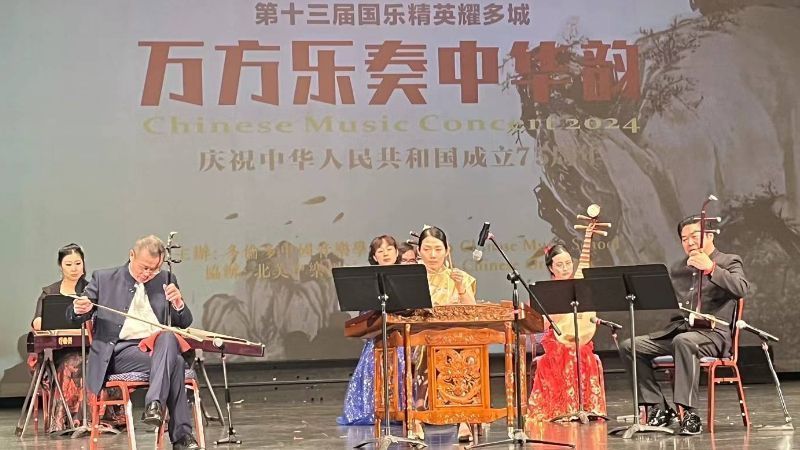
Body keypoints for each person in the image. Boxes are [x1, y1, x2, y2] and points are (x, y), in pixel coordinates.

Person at [618, 216, 750, 435]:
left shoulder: (728, 261)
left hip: (713, 336)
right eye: (684, 238)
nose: (689, 242)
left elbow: (741, 288)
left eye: (694, 236)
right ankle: (658, 407)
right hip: (681, 332)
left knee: (683, 341)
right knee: (630, 346)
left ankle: (689, 414)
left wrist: (711, 268)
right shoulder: (679, 267)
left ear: (709, 235)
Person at [68, 235, 201, 449]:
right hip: (120, 353)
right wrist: (78, 308)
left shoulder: (166, 279)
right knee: (174, 362)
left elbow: (184, 322)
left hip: (158, 348)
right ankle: (181, 436)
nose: (148, 273)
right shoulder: (104, 278)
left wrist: (178, 303)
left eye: (153, 269)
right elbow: (75, 314)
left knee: (169, 341)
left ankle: (154, 405)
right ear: (131, 255)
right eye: (144, 267)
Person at [29, 244, 125, 432]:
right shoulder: (50, 292)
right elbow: (37, 322)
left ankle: (97, 419)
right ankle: (69, 421)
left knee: (95, 361)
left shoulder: (91, 290)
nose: (74, 268)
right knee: (72, 364)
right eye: (68, 264)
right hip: (60, 351)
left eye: (78, 263)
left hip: (91, 348)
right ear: (60, 266)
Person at [526, 244, 606, 422]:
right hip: (555, 340)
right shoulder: (545, 291)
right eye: (559, 265)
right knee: (566, 353)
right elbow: (539, 325)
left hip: (577, 339)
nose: (565, 268)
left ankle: (585, 407)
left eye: (568, 263)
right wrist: (557, 313)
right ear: (551, 268)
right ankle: (564, 408)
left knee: (583, 352)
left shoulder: (580, 288)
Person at [412, 226, 476, 442]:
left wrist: (460, 286)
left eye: (438, 249)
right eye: (427, 249)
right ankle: (418, 415)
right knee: (425, 348)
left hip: (453, 338)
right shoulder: (412, 278)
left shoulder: (459, 277)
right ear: (419, 251)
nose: (432, 255)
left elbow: (472, 310)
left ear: (447, 251)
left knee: (461, 352)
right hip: (420, 337)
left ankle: (463, 418)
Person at [337, 235, 404, 425]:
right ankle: (376, 409)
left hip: (402, 335)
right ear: (374, 257)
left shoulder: (406, 277)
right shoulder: (369, 280)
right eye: (380, 251)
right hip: (378, 336)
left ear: (396, 253)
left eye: (389, 249)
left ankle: (402, 408)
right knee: (373, 368)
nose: (385, 254)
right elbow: (364, 312)